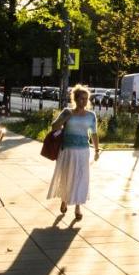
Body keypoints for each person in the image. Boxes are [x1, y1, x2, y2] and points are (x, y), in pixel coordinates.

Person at [45, 85, 100, 221]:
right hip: (67, 151)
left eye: (86, 99)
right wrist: (66, 117)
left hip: (83, 151)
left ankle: (78, 207)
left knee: (81, 178)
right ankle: (64, 200)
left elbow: (94, 133)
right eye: (81, 99)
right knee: (67, 177)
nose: (84, 101)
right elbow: (54, 126)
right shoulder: (67, 112)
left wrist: (97, 150)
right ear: (75, 99)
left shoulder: (91, 115)